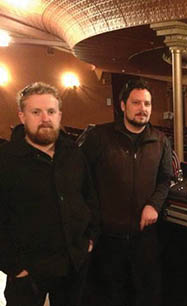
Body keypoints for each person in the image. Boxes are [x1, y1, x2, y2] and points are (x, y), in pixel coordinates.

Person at [0, 82, 100, 306]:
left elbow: (89, 197)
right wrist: (11, 264)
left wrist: (90, 238)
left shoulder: (74, 153)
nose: (45, 118)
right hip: (27, 270)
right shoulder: (5, 159)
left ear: (59, 115)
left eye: (51, 111)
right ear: (22, 116)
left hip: (73, 263)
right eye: (36, 112)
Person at [81, 78, 173, 306]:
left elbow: (165, 179)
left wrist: (154, 204)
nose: (143, 109)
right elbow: (82, 181)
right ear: (122, 105)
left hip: (145, 238)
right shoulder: (99, 137)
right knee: (111, 296)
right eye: (136, 102)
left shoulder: (160, 141)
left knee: (145, 295)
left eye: (147, 104)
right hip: (108, 237)